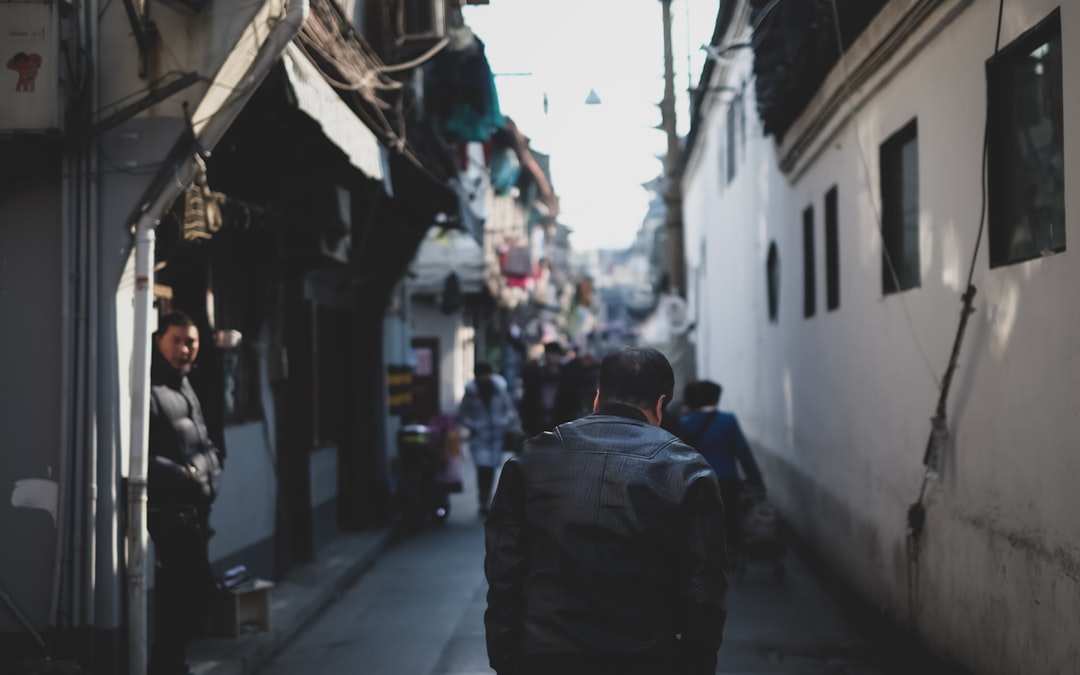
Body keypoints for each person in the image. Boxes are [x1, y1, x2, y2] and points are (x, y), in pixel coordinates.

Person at [485, 347, 728, 675]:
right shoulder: (688, 470)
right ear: (660, 404)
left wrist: (505, 658)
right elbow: (704, 592)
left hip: (542, 656)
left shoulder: (534, 456)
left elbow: (504, 569)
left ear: (597, 398)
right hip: (646, 659)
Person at [148, 311, 225, 675]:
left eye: (191, 341)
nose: (184, 349)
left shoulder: (185, 384)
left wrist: (211, 470)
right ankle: (167, 665)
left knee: (189, 597)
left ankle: (171, 663)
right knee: (189, 596)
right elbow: (139, 457)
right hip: (168, 513)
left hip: (194, 511)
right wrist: (183, 474)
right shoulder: (150, 387)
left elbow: (205, 441)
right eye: (176, 340)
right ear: (158, 339)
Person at [679, 380, 764, 556]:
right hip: (726, 479)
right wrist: (755, 479)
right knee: (728, 519)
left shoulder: (683, 422)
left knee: (698, 520)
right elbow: (743, 452)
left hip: (693, 480)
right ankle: (728, 555)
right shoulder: (727, 420)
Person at [458, 361, 517, 517]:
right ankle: (483, 499)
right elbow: (462, 415)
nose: (483, 378)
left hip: (496, 436)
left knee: (490, 470)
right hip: (479, 436)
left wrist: (503, 421)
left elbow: (510, 410)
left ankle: (487, 498)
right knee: (481, 469)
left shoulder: (500, 391)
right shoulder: (471, 393)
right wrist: (474, 425)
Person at [518, 341, 570, 436]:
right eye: (548, 354)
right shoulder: (536, 376)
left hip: (559, 423)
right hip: (537, 422)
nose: (550, 357)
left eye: (553, 354)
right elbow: (528, 400)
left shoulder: (566, 378)